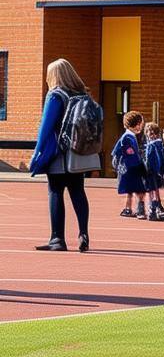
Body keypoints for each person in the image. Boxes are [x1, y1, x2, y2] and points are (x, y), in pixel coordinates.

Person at [30, 58, 100, 253]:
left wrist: (38, 152)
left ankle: (57, 238)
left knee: (55, 191)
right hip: (78, 151)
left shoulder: (55, 95)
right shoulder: (83, 95)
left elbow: (46, 127)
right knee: (78, 191)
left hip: (59, 153)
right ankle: (83, 233)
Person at [111, 112, 147, 217]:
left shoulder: (128, 136)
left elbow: (115, 152)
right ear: (137, 124)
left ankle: (128, 209)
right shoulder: (128, 137)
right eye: (141, 123)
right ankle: (139, 210)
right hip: (131, 167)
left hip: (128, 167)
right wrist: (138, 166)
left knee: (130, 190)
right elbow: (130, 153)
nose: (142, 126)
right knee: (140, 190)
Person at [143, 122, 164, 221]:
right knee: (154, 190)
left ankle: (153, 209)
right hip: (154, 171)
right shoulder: (159, 144)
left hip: (152, 171)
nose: (150, 135)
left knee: (152, 190)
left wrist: (159, 169)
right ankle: (157, 208)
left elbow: (156, 159)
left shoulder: (153, 145)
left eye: (151, 133)